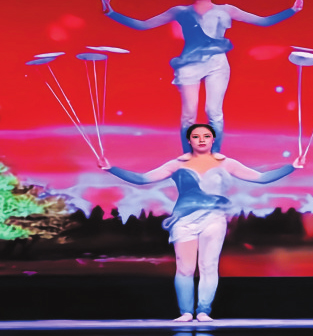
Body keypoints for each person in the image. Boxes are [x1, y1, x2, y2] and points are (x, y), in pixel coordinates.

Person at [99, 123, 296, 322]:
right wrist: (111, 168)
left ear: (213, 139)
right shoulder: (177, 164)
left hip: (214, 219)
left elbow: (262, 178)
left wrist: (292, 167)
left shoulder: (226, 163)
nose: (201, 139)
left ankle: (203, 311)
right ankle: (185, 312)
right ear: (189, 140)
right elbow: (142, 179)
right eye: (196, 136)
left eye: (206, 136)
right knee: (185, 268)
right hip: (184, 220)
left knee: (208, 266)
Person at [103, 0, 303, 153]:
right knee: (188, 115)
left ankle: (214, 155)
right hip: (189, 64)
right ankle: (188, 156)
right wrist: (111, 13)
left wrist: (292, 10)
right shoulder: (180, 11)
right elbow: (143, 25)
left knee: (213, 111)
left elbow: (264, 22)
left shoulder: (227, 10)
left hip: (217, 64)